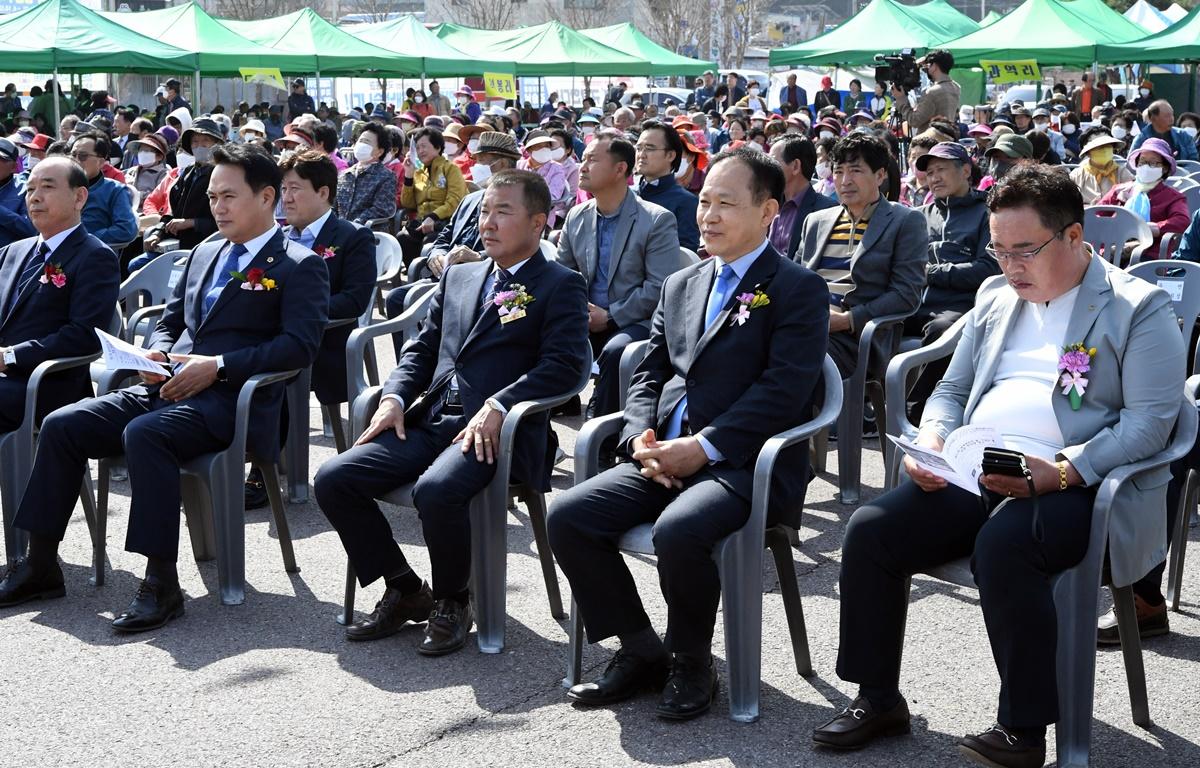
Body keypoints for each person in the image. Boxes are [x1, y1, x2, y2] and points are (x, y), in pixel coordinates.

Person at [814, 164, 1185, 768]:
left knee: (1005, 545)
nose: (1009, 266)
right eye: (998, 250)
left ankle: (1023, 728)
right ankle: (877, 697)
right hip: (979, 465)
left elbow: (1149, 424)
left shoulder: (1134, 308)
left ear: (1072, 237)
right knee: (872, 530)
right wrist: (934, 439)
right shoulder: (994, 297)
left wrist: (1061, 471)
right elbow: (952, 390)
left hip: (1080, 483)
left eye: (1024, 251)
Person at [548, 147, 829, 721]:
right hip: (662, 458)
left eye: (727, 203)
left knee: (679, 531)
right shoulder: (682, 282)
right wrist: (638, 437)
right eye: (704, 201)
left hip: (744, 465)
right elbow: (649, 369)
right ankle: (639, 646)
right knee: (568, 517)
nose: (709, 215)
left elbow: (785, 391)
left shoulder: (797, 288)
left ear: (769, 210)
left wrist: (703, 447)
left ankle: (691, 660)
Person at [0, 144, 329, 631]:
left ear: (266, 197)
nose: (217, 206)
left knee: (147, 434)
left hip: (233, 402)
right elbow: (170, 322)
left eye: (228, 196)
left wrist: (216, 366)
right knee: (64, 423)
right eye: (213, 196)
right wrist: (155, 353)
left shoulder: (299, 264)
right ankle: (41, 563)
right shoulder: (204, 252)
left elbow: (298, 348)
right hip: (168, 387)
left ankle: (160, 580)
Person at [314, 170, 588, 654]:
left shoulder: (559, 284)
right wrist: (394, 398)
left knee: (436, 491)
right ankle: (403, 588)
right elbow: (423, 350)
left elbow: (565, 367)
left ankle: (452, 600)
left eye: (503, 212)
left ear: (539, 222)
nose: (488, 222)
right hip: (432, 418)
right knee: (336, 477)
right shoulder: (462, 276)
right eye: (484, 211)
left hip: (496, 436)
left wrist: (501, 404)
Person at [558, 132, 685, 419]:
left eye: (592, 159)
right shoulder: (577, 216)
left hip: (633, 320)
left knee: (617, 351)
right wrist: (579, 309)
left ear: (620, 169)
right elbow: (563, 274)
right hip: (587, 316)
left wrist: (611, 315)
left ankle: (601, 436)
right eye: (583, 158)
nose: (583, 166)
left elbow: (659, 287)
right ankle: (543, 419)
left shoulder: (655, 219)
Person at [0, 157, 119, 437]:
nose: (35, 198)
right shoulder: (12, 252)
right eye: (29, 190)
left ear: (79, 197)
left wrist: (11, 356)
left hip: (46, 383)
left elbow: (84, 335)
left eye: (47, 187)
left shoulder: (94, 256)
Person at [795, 133, 926, 380]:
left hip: (855, 338)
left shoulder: (905, 221)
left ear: (880, 175)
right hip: (804, 323)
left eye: (855, 171)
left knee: (793, 356)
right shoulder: (816, 221)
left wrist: (847, 320)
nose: (845, 181)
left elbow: (906, 295)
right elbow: (793, 277)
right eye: (838, 171)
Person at [904, 142, 996, 418]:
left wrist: (932, 273)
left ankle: (914, 411)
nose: (934, 178)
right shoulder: (920, 215)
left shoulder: (986, 213)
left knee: (942, 330)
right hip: (915, 303)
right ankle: (866, 405)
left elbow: (988, 269)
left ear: (966, 170)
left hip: (961, 306)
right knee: (871, 322)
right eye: (929, 172)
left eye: (941, 170)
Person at [1097, 138, 1189, 261]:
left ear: (1165, 168)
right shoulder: (1120, 190)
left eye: (1153, 163)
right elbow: (1096, 213)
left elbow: (1182, 221)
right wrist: (1113, 225)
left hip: (1148, 254)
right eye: (1142, 162)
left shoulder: (1173, 197)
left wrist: (1156, 228)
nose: (1146, 167)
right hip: (1110, 249)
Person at [143, 118, 224, 256]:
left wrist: (191, 223)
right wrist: (158, 233)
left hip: (207, 247)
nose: (200, 146)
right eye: (195, 141)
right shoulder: (187, 173)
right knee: (136, 264)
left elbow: (224, 221)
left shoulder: (223, 174)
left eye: (205, 140)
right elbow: (172, 212)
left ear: (216, 144)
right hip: (178, 244)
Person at [397, 127, 467, 267]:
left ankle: (432, 277)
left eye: (424, 146)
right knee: (402, 238)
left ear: (437, 147)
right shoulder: (419, 172)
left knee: (430, 240)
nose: (420, 151)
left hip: (446, 222)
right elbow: (408, 204)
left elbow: (455, 200)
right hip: (423, 223)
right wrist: (409, 176)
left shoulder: (450, 169)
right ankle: (416, 276)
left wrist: (434, 216)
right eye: (417, 148)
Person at [767, 134, 837, 260]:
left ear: (795, 166)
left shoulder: (827, 212)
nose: (767, 169)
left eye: (772, 161)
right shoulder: (766, 204)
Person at [634, 120, 700, 252]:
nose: (642, 154)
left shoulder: (686, 202)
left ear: (670, 155)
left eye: (650, 148)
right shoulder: (626, 194)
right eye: (639, 148)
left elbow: (685, 255)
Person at [67, 132, 137, 249]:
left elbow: (126, 230)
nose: (76, 160)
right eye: (73, 155)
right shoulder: (61, 187)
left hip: (93, 254)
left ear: (100, 162)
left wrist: (85, 237)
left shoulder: (115, 190)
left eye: (83, 156)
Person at [336, 122, 397, 226]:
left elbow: (381, 209)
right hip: (339, 230)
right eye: (360, 141)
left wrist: (354, 224)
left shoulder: (386, 176)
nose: (361, 144)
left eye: (367, 142)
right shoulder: (344, 175)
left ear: (380, 152)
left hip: (367, 232)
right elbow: (333, 206)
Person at [516, 130, 567, 228]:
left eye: (547, 146)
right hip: (518, 215)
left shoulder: (557, 168)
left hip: (543, 218)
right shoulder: (520, 165)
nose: (544, 149)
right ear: (529, 150)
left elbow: (553, 195)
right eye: (539, 146)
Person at [1070, 132, 1131, 205]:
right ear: (1089, 153)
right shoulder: (1078, 174)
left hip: (1116, 213)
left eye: (1108, 147)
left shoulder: (1121, 171)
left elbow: (1131, 195)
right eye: (1099, 148)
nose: (1104, 150)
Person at [910, 50, 960, 136]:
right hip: (945, 137)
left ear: (934, 66)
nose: (926, 67)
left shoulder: (932, 92)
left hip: (929, 141)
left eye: (929, 65)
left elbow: (915, 121)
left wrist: (901, 100)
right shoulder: (956, 87)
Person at [1131, 99, 1199, 161]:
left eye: (1172, 115)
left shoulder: (1183, 135)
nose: (1171, 119)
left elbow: (1194, 162)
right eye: (1167, 116)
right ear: (1153, 118)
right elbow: (1132, 162)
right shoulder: (1141, 139)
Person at [0, 138, 35, 249]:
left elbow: (31, 229)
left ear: (14, 167)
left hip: (7, 260)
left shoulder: (25, 189)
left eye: (1, 159)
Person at [123, 131, 170, 210]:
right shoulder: (130, 171)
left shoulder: (164, 174)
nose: (143, 153)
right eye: (141, 150)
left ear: (159, 156)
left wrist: (135, 195)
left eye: (147, 151)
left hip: (146, 216)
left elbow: (157, 197)